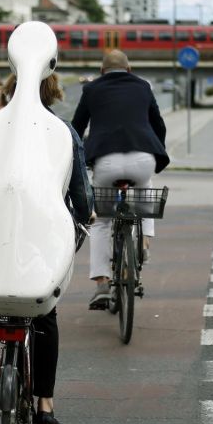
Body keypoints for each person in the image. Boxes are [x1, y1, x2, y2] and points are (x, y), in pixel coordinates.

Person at [0, 72, 94, 424]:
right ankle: (45, 404)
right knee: (44, 311)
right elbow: (80, 191)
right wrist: (82, 217)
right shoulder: (61, 132)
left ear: (12, 92)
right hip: (42, 233)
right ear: (53, 93)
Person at [71, 49, 168, 309]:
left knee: (102, 222)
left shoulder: (91, 90)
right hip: (142, 158)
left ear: (102, 71)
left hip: (106, 161)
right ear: (129, 68)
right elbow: (158, 124)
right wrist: (158, 149)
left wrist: (76, 158)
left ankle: (102, 284)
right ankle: (144, 243)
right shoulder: (143, 87)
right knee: (144, 190)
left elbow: (77, 127)